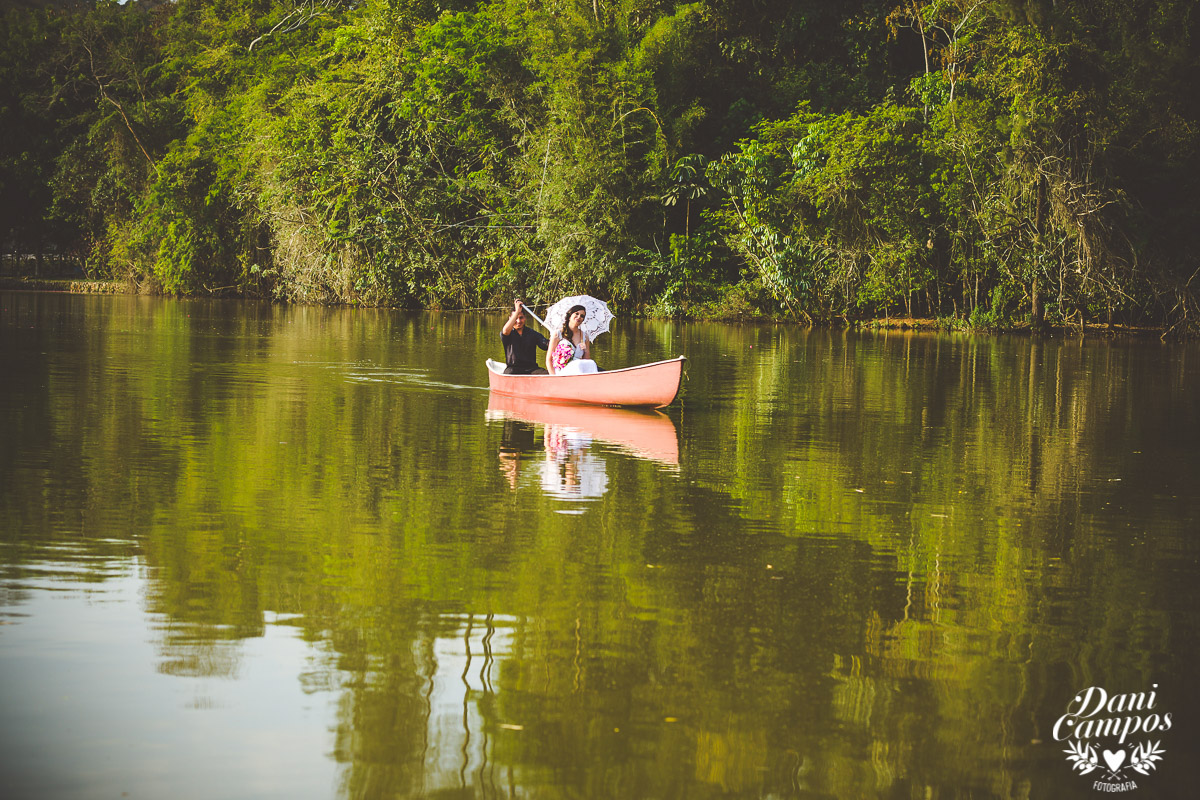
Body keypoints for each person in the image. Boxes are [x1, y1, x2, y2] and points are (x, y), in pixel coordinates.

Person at [547, 305, 599, 376]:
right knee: (577, 364)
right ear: (570, 315)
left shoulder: (584, 337)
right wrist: (554, 377)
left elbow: (586, 360)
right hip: (562, 371)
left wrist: (585, 350)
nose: (579, 317)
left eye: (582, 316)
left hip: (578, 370)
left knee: (591, 363)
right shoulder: (557, 334)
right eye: (576, 314)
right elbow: (549, 359)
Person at [501, 299, 548, 374]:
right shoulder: (508, 333)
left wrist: (555, 337)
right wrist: (517, 311)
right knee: (509, 373)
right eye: (516, 318)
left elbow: (546, 345)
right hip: (513, 369)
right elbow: (505, 331)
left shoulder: (532, 333)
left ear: (525, 318)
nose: (518, 321)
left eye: (521, 318)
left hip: (532, 369)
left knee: (546, 374)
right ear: (510, 318)